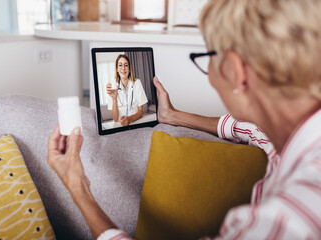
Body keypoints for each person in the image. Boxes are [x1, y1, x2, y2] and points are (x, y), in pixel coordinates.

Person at [47, 0, 321, 239]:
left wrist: (77, 187)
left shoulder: (288, 218)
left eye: (209, 55)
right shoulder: (289, 131)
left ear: (235, 71)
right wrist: (171, 115)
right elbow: (251, 130)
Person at [105, 54, 148, 126]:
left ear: (129, 69)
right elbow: (115, 119)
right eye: (120, 65)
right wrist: (114, 98)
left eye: (126, 65)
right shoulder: (113, 87)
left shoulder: (137, 83)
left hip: (135, 123)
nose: (123, 68)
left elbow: (140, 112)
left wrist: (129, 119)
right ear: (117, 69)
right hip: (119, 125)